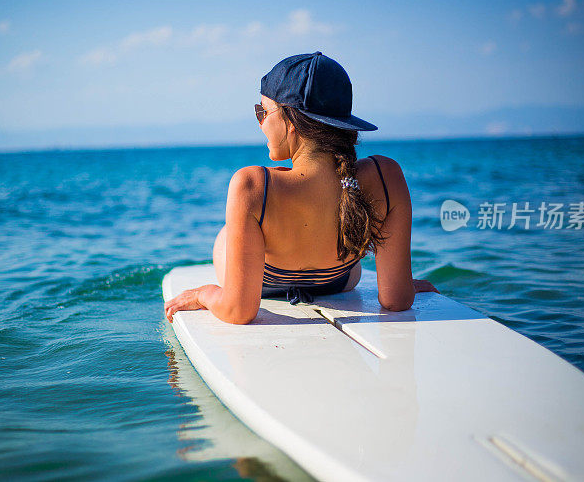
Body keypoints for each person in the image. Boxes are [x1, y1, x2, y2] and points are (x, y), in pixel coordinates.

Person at [164, 52, 438, 324]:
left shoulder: (253, 184)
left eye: (262, 111)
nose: (260, 122)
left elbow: (238, 311)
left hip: (262, 284)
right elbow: (396, 300)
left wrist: (205, 294)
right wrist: (402, 283)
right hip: (338, 281)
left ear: (291, 121)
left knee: (227, 236)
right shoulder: (386, 174)